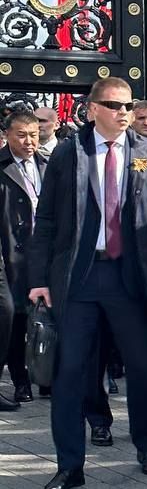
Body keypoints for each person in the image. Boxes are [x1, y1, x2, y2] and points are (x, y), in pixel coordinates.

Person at [29, 76, 147, 489]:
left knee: (143, 367)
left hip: (131, 277)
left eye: (128, 106)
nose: (124, 113)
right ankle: (69, 465)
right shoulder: (69, 153)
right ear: (93, 109)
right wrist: (39, 280)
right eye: (115, 106)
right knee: (69, 373)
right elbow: (46, 220)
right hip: (79, 278)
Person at [0, 111, 47, 405]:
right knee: (15, 317)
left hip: (44, 253)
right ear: (7, 135)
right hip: (11, 255)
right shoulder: (2, 166)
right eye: (21, 135)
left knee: (46, 316)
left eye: (34, 135)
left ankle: (47, 377)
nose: (29, 141)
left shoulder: (48, 165)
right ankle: (20, 380)